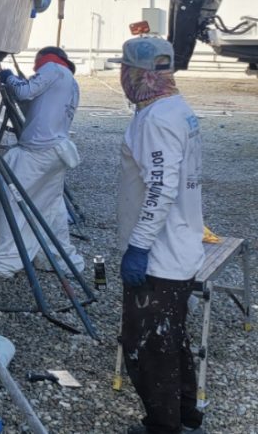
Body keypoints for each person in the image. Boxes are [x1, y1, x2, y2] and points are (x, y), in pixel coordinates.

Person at [111, 36, 205, 434]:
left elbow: (162, 187)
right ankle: (186, 419)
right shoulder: (176, 109)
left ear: (137, 74)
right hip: (180, 248)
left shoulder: (157, 120)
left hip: (159, 258)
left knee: (149, 347)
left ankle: (163, 427)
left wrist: (138, 246)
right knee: (174, 340)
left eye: (124, 69)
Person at [0, 46, 85, 279]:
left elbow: (25, 93)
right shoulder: (70, 81)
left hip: (38, 153)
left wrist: (9, 78)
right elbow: (34, 106)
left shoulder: (52, 68)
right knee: (50, 207)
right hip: (56, 152)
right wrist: (16, 84)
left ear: (43, 59)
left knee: (12, 202)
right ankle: (57, 258)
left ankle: (4, 263)